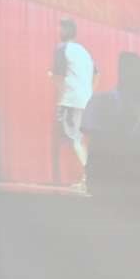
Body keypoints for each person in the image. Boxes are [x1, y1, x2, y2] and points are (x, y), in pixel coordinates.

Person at [81, 51, 140, 192]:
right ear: (124, 77)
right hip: (105, 180)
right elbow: (90, 135)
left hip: (139, 183)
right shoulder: (101, 101)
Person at [50, 18, 94, 183]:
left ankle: (89, 176)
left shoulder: (62, 48)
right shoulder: (84, 51)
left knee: (75, 139)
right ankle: (88, 176)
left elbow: (58, 76)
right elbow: (96, 73)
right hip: (86, 100)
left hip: (71, 100)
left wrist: (60, 94)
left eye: (59, 28)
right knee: (79, 140)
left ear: (65, 31)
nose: (57, 31)